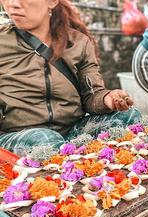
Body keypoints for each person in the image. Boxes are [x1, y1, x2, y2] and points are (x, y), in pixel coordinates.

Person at [0, 0, 140, 154]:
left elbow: (91, 95)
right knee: (45, 141)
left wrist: (108, 99)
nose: (12, 3)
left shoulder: (78, 42)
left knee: (129, 117)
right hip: (17, 137)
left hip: (71, 132)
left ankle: (71, 156)